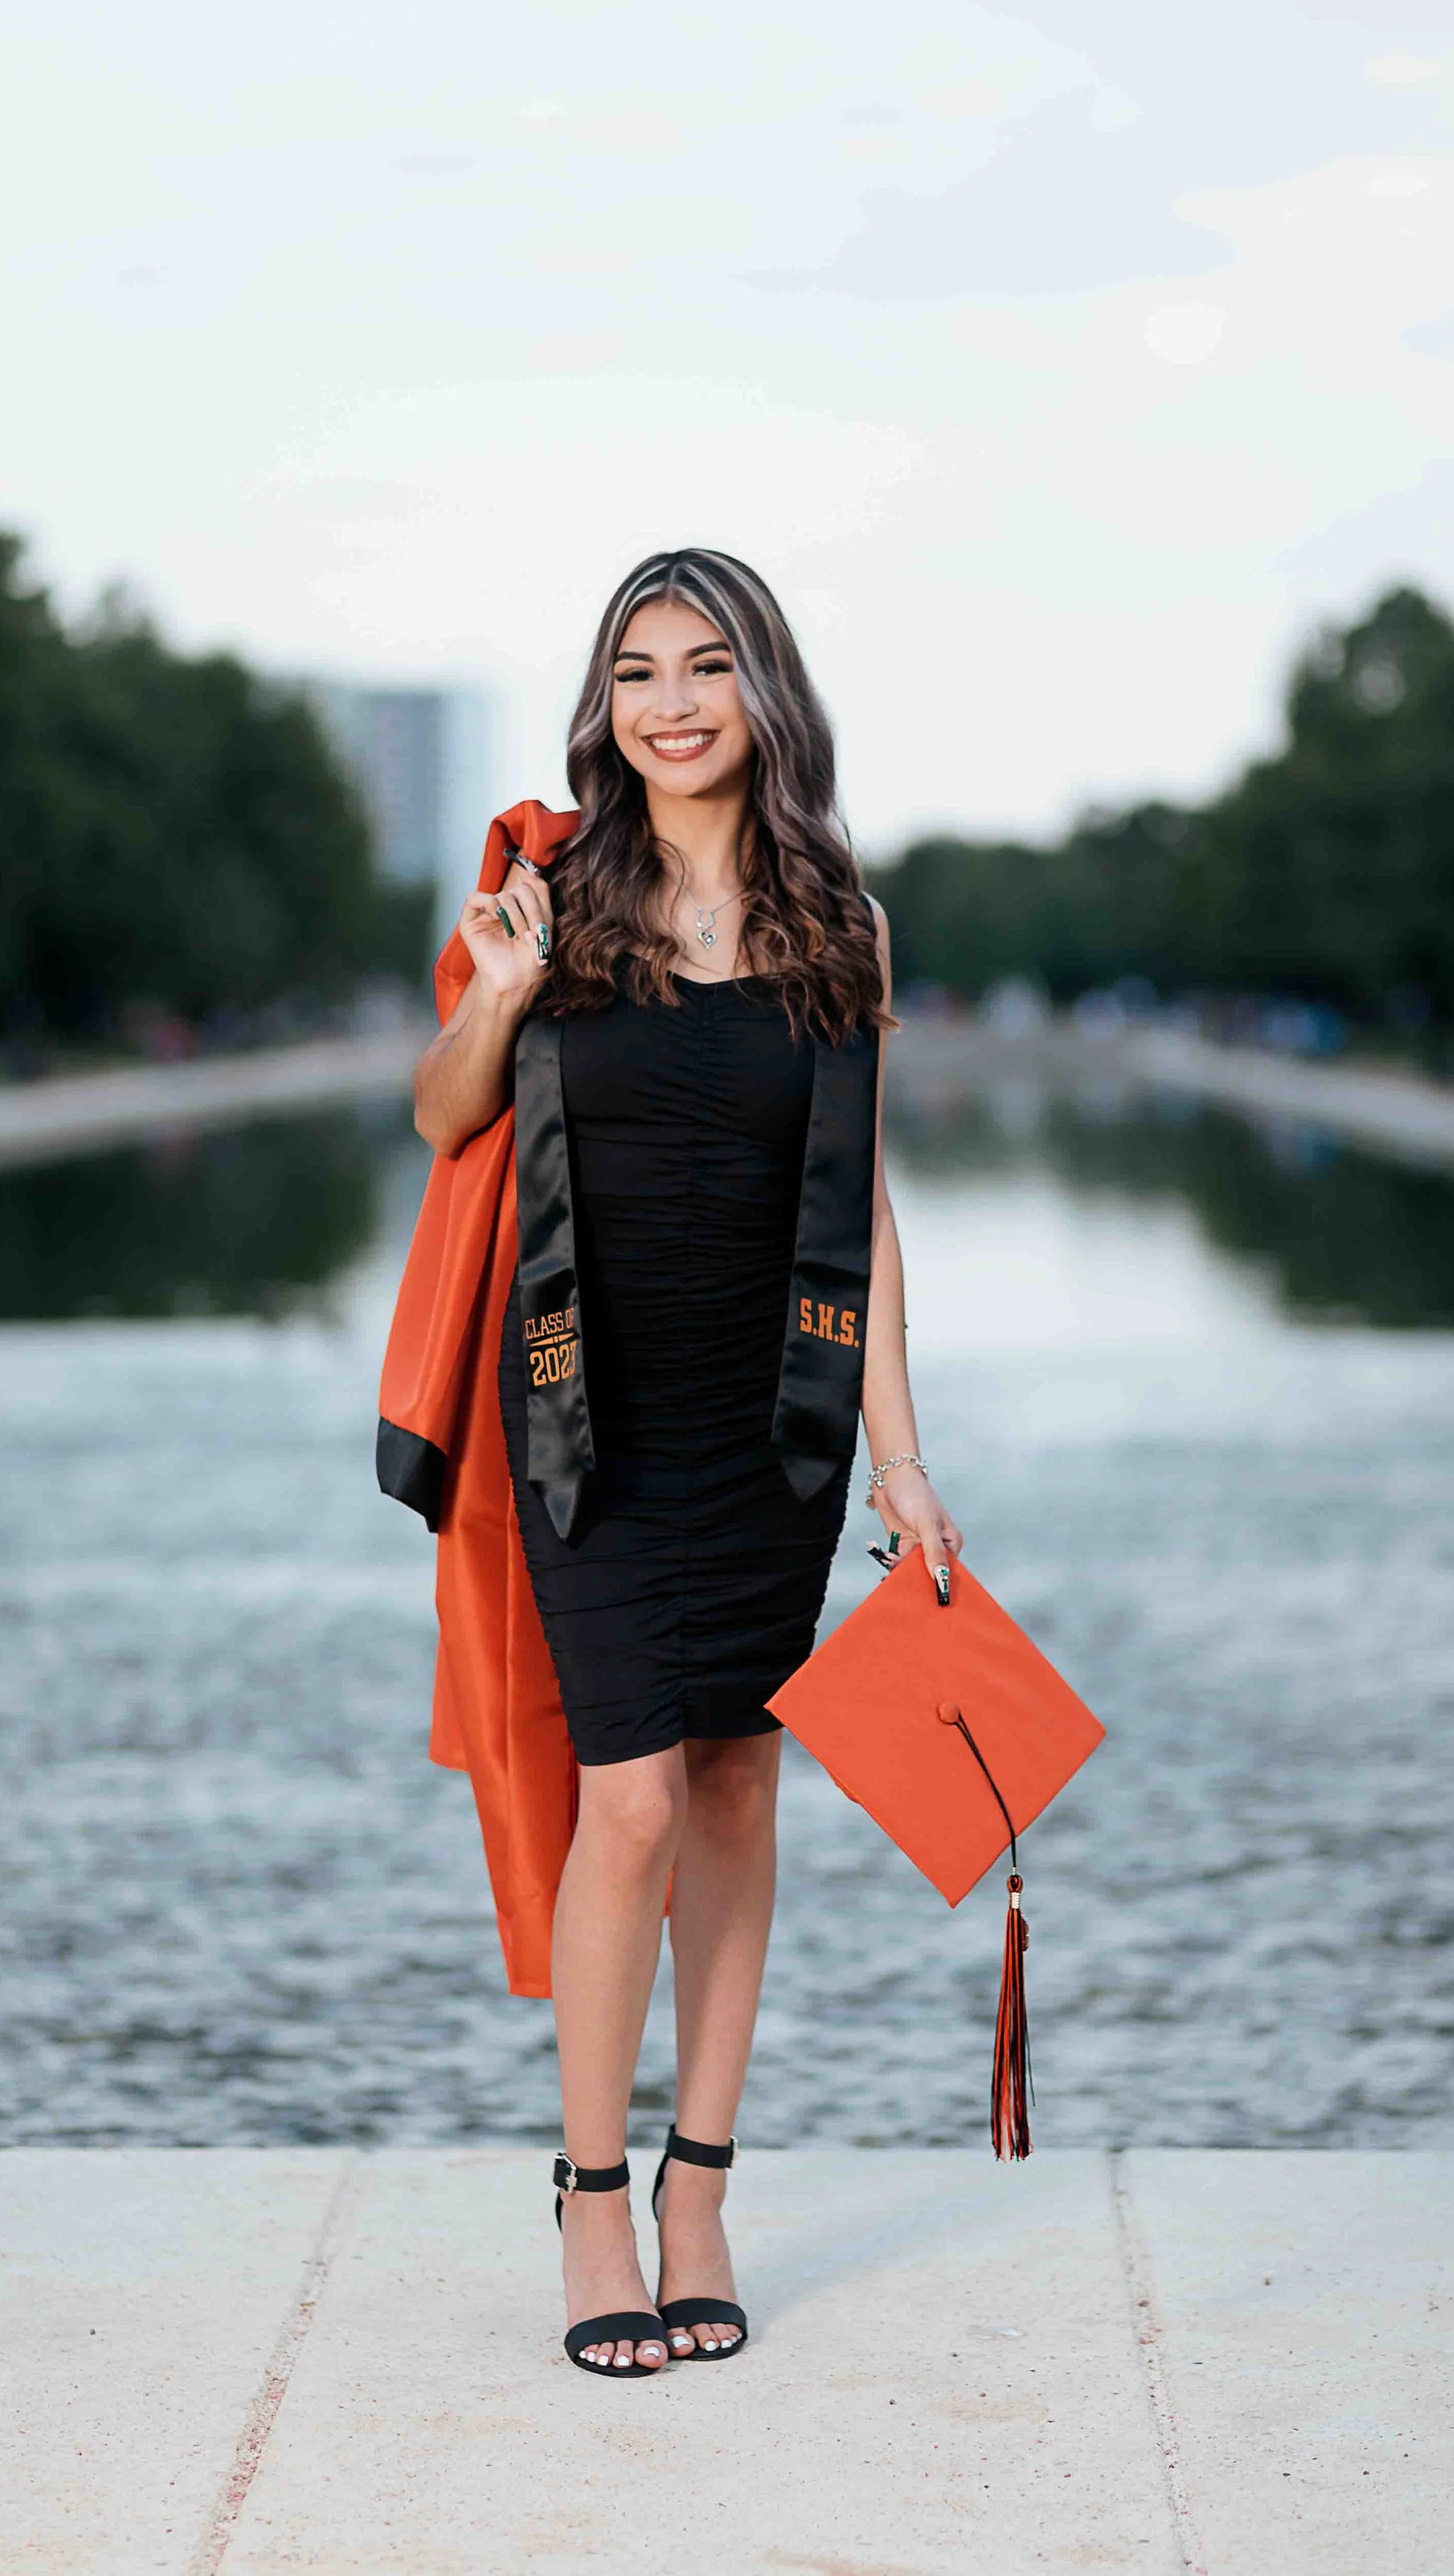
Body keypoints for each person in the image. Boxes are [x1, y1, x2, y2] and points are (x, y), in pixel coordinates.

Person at [412, 548, 963, 2380]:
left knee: (737, 1779)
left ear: (761, 695)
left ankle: (699, 2186)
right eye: (635, 668)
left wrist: (898, 1457)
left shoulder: (842, 931)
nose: (667, 699)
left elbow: (860, 1204)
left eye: (703, 664)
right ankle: (587, 2194)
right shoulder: (547, 895)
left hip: (774, 1421)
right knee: (627, 1793)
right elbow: (443, 1115)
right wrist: (494, 990)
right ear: (604, 703)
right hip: (585, 1403)